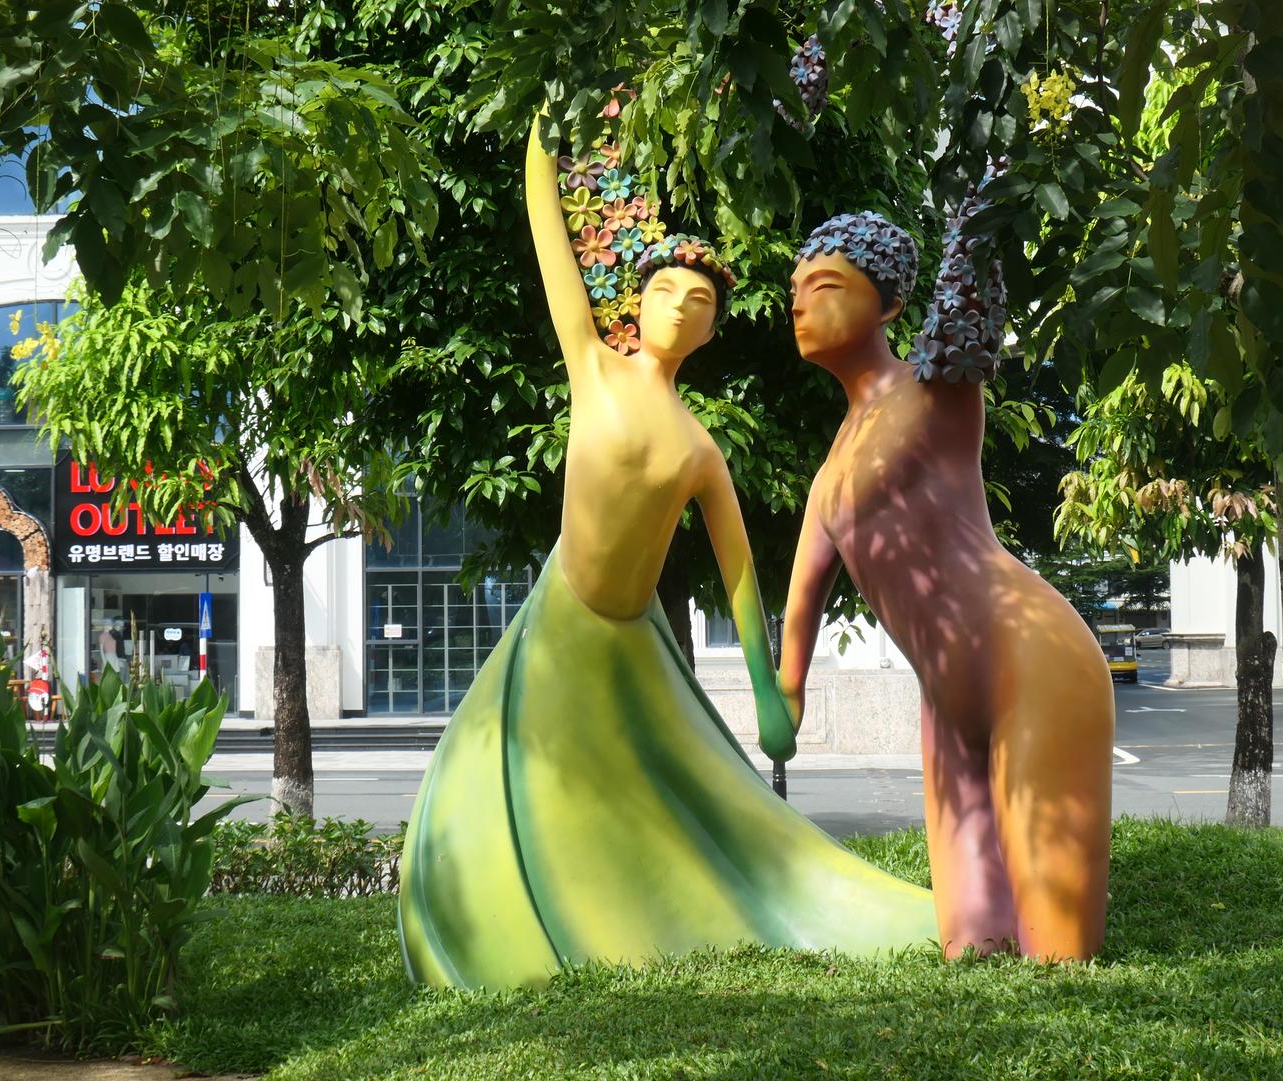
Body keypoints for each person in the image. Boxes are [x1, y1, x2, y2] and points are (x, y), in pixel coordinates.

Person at [396, 125, 937, 990]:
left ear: (714, 330)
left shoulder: (699, 450)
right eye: (665, 291)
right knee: (520, 784)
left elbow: (739, 574)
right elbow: (550, 240)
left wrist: (770, 691)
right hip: (563, 621)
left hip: (629, 640)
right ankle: (509, 936)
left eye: (700, 301)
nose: (682, 307)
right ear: (636, 304)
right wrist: (544, 141)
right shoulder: (593, 369)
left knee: (689, 800)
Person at [779, 210, 1113, 961]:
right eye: (794, 290)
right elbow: (800, 606)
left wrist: (984, 205)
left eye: (824, 286)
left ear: (891, 305)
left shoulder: (938, 391)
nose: (799, 304)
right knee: (970, 944)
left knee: (1058, 951)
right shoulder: (830, 474)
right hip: (944, 700)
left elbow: (970, 291)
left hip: (1033, 660)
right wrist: (785, 698)